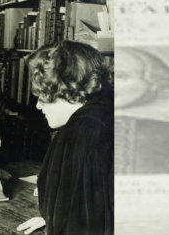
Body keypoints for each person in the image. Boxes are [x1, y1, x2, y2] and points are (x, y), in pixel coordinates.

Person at [16, 41, 113, 234]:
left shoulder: (84, 130)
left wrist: (59, 222)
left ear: (67, 90)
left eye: (43, 95)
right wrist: (54, 216)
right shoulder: (105, 108)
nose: (38, 106)